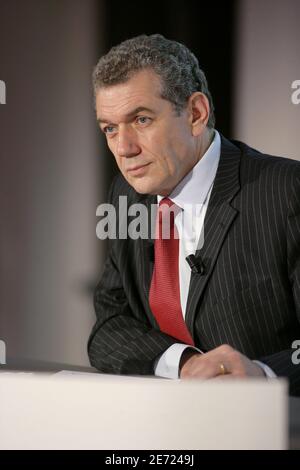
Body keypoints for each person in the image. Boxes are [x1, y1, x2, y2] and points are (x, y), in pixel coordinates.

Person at [88, 34, 300, 395]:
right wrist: (185, 363)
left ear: (196, 114)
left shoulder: (286, 192)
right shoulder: (126, 195)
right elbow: (109, 326)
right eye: (110, 128)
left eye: (140, 119)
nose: (124, 148)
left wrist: (261, 374)